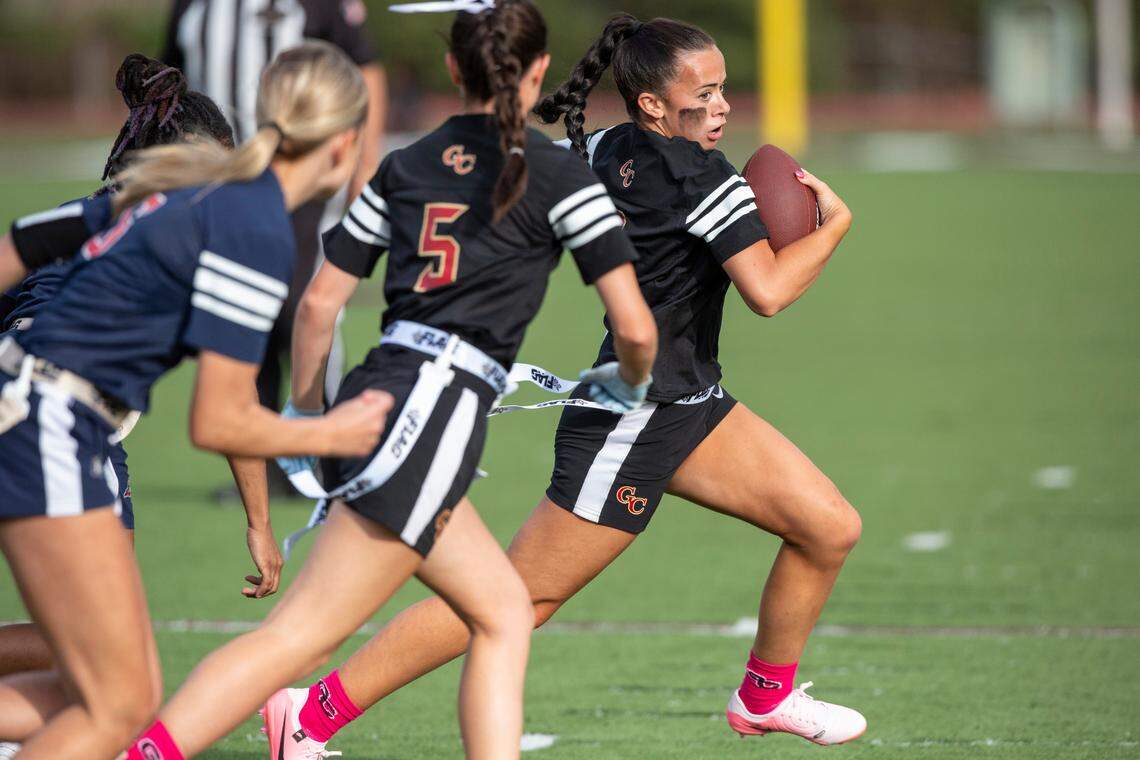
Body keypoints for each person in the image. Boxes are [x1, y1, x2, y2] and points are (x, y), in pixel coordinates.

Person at [275, 11, 869, 752]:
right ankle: (309, 714)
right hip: (634, 418)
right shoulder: (698, 174)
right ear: (654, 103)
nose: (721, 107)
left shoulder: (609, 146)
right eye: (705, 93)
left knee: (827, 526)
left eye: (724, 90)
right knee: (520, 598)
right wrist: (834, 228)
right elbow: (770, 291)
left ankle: (764, 696)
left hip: (687, 404)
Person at [125, 3, 656, 758]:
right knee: (297, 640)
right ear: (538, 72)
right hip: (427, 419)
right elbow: (635, 330)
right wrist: (629, 382)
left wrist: (309, 423)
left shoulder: (404, 164)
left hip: (381, 395)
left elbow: (318, 306)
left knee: (503, 610)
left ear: (450, 70)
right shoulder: (560, 172)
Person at [0, 41, 389, 760]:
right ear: (341, 146)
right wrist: (332, 434)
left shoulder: (191, 198)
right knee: (112, 707)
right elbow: (217, 417)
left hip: (45, 413)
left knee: (117, 698)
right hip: (49, 418)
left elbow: (17, 245)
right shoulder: (256, 229)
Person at [162, 0, 390, 492]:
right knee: (248, 318)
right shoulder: (192, 6)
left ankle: (323, 448)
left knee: (302, 306)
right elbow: (169, 82)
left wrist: (364, 162)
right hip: (222, 181)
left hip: (302, 179)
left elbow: (365, 68)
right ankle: (266, 456)